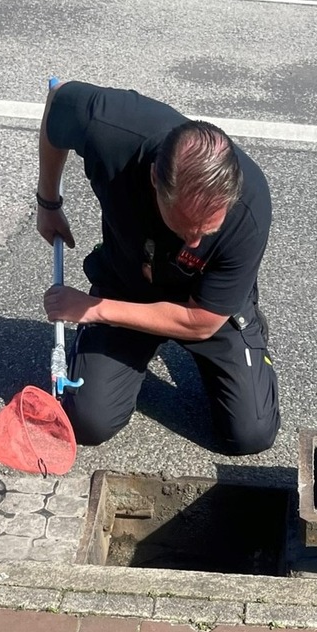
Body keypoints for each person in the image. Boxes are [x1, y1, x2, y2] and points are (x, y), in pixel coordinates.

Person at [36, 80, 280, 455]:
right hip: (128, 280)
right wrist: (48, 201)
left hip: (201, 302)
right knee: (87, 422)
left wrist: (92, 309)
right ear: (154, 180)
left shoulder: (249, 207)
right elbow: (58, 103)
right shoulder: (109, 127)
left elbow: (200, 320)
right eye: (185, 228)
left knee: (251, 434)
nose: (195, 243)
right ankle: (129, 348)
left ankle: (244, 336)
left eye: (207, 231)